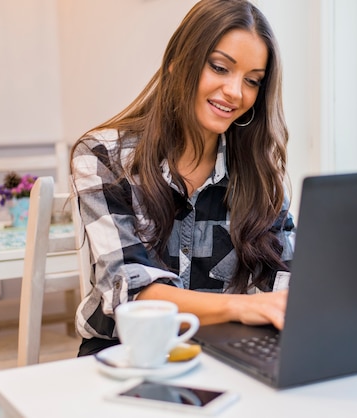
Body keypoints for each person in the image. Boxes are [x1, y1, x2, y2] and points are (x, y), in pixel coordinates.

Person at [71, 0, 295, 356]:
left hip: (221, 353)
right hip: (122, 353)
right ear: (178, 63)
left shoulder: (260, 174)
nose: (236, 92)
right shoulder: (104, 156)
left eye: (252, 81)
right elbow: (133, 290)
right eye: (220, 68)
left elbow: (283, 277)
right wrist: (243, 306)